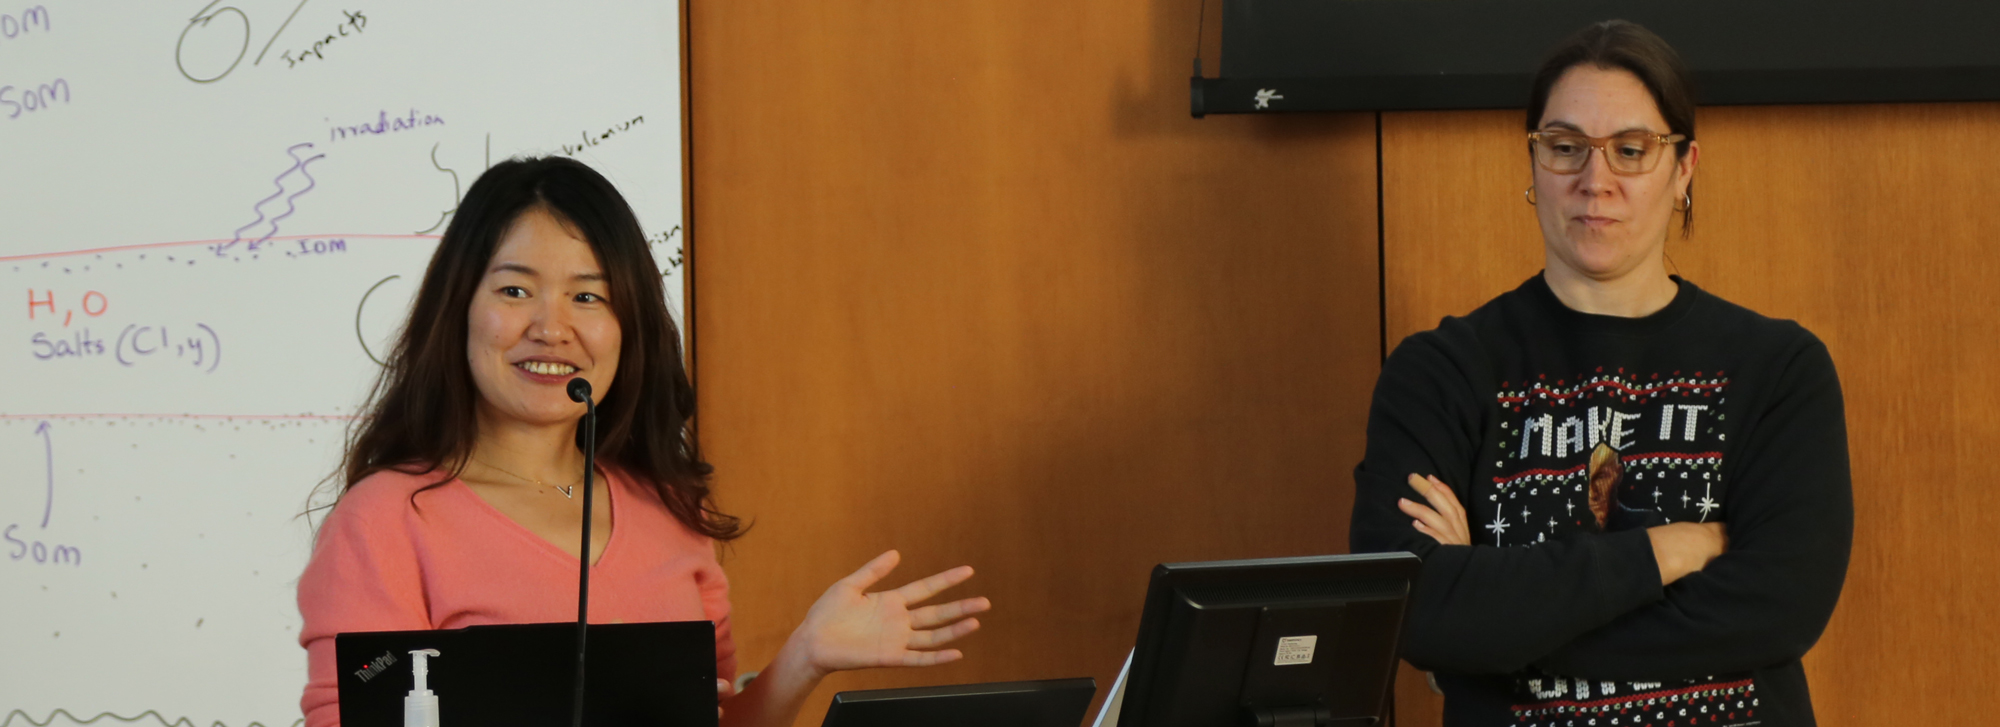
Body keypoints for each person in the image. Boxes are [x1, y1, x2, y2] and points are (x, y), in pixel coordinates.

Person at [297, 156, 990, 727]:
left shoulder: (666, 509)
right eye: (515, 291)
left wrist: (805, 655)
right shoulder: (386, 519)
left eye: (589, 297)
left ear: (628, 327)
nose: (551, 326)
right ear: (459, 310)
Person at [1349, 21, 1852, 727]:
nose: (1595, 181)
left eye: (1630, 150)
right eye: (1565, 148)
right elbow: (1415, 610)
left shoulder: (1778, 370)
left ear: (1683, 169)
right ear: (1533, 165)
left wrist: (1493, 628)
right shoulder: (1439, 374)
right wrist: (1663, 551)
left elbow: (1778, 611)